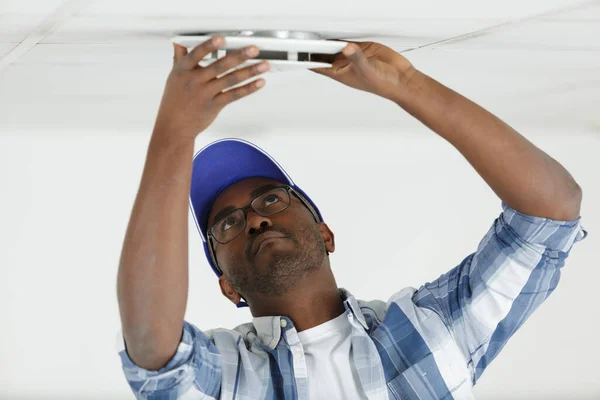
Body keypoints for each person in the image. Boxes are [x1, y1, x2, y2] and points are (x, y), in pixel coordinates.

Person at [116, 36, 588, 400]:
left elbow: (550, 211)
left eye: (271, 200)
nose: (255, 221)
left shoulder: (428, 332)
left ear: (325, 234)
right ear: (227, 286)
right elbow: (155, 351)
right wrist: (173, 135)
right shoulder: (228, 373)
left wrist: (407, 86)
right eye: (228, 225)